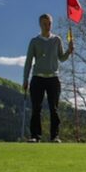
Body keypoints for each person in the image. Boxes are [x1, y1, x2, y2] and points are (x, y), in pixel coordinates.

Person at [23, 13, 73, 143]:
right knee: (36, 108)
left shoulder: (57, 40)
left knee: (54, 109)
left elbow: (61, 58)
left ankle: (55, 136)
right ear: (40, 24)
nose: (47, 26)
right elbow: (28, 61)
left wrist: (68, 51)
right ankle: (35, 136)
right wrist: (25, 79)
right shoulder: (34, 41)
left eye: (49, 23)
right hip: (37, 78)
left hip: (53, 79)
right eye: (45, 23)